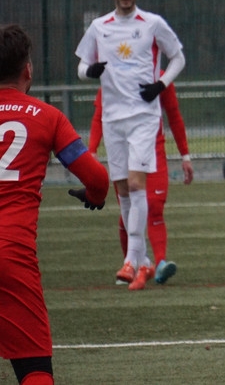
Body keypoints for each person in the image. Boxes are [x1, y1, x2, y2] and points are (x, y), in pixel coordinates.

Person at [0, 24, 110, 385]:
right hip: (10, 255)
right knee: (33, 367)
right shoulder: (47, 117)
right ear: (28, 70)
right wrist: (94, 197)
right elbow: (97, 179)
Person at [74, 0, 185, 291]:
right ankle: (141, 259)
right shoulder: (99, 27)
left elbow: (178, 58)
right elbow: (81, 65)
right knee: (122, 190)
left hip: (143, 117)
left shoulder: (152, 24)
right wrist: (90, 71)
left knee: (137, 185)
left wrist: (160, 84)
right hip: (112, 118)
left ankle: (131, 260)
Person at [88, 74, 194, 286]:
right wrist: (92, 149)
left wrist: (185, 155)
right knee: (127, 212)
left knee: (154, 205)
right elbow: (100, 113)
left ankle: (159, 263)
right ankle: (134, 264)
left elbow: (174, 115)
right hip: (123, 149)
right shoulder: (114, 73)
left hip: (153, 150)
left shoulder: (161, 78)